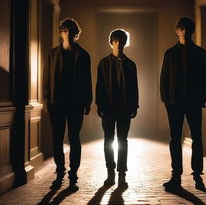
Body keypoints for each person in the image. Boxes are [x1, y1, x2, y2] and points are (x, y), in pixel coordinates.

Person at [160, 16, 206, 190]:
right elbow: (164, 77)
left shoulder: (201, 53)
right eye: (182, 29)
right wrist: (165, 99)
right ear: (177, 31)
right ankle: (176, 175)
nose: (184, 32)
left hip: (193, 102)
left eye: (187, 29)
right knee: (175, 138)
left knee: (196, 137)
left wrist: (202, 98)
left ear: (191, 31)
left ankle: (197, 174)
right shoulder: (170, 53)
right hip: (174, 102)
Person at [43, 18, 92, 190]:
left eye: (71, 31)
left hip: (75, 104)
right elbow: (46, 79)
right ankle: (60, 172)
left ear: (76, 34)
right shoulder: (52, 54)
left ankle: (73, 175)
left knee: (74, 139)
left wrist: (88, 101)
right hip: (56, 103)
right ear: (60, 32)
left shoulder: (84, 55)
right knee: (57, 138)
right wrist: (46, 99)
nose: (68, 34)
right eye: (65, 30)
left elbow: (87, 81)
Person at [96, 29, 139, 187]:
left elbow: (134, 87)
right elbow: (99, 86)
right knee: (109, 139)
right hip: (108, 107)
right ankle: (110, 169)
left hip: (125, 107)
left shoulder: (130, 65)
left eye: (121, 41)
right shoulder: (103, 63)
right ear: (111, 42)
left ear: (125, 43)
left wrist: (135, 105)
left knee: (122, 140)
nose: (118, 44)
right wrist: (99, 104)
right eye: (116, 41)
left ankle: (121, 169)